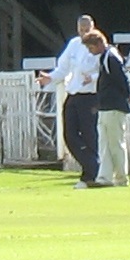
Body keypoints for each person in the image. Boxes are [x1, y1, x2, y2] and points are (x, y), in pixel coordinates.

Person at [50, 14, 102, 185]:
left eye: (87, 30)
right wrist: (49, 78)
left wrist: (93, 78)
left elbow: (104, 70)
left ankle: (90, 174)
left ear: (92, 27)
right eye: (81, 30)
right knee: (69, 135)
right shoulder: (73, 44)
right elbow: (62, 68)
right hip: (73, 94)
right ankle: (93, 165)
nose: (84, 34)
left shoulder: (98, 43)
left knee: (89, 135)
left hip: (90, 96)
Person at [91, 26, 130, 187]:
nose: (90, 52)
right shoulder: (105, 57)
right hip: (105, 106)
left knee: (115, 143)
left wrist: (128, 95)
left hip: (114, 107)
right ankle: (105, 177)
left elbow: (122, 78)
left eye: (91, 48)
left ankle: (122, 178)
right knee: (104, 143)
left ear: (98, 44)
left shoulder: (111, 57)